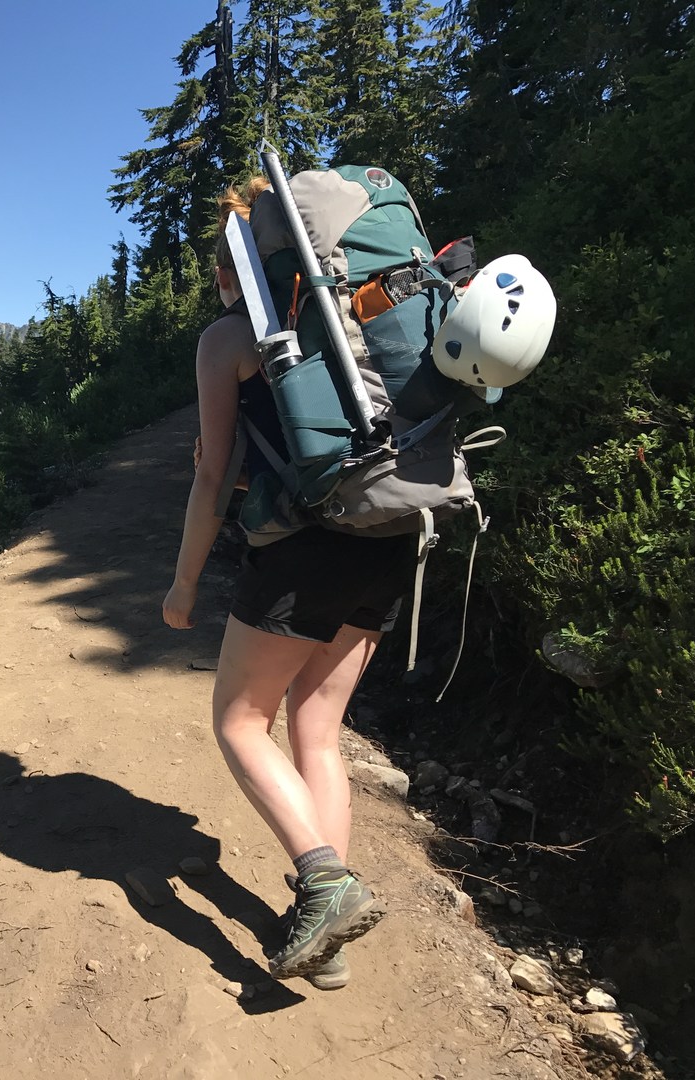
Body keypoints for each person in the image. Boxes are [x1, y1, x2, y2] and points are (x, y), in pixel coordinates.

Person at [162, 177, 412, 990]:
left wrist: (184, 585)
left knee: (240, 720)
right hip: (392, 532)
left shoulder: (230, 339)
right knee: (318, 729)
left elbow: (211, 477)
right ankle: (325, 937)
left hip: (305, 550)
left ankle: (325, 883)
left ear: (233, 270)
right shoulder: (362, 321)